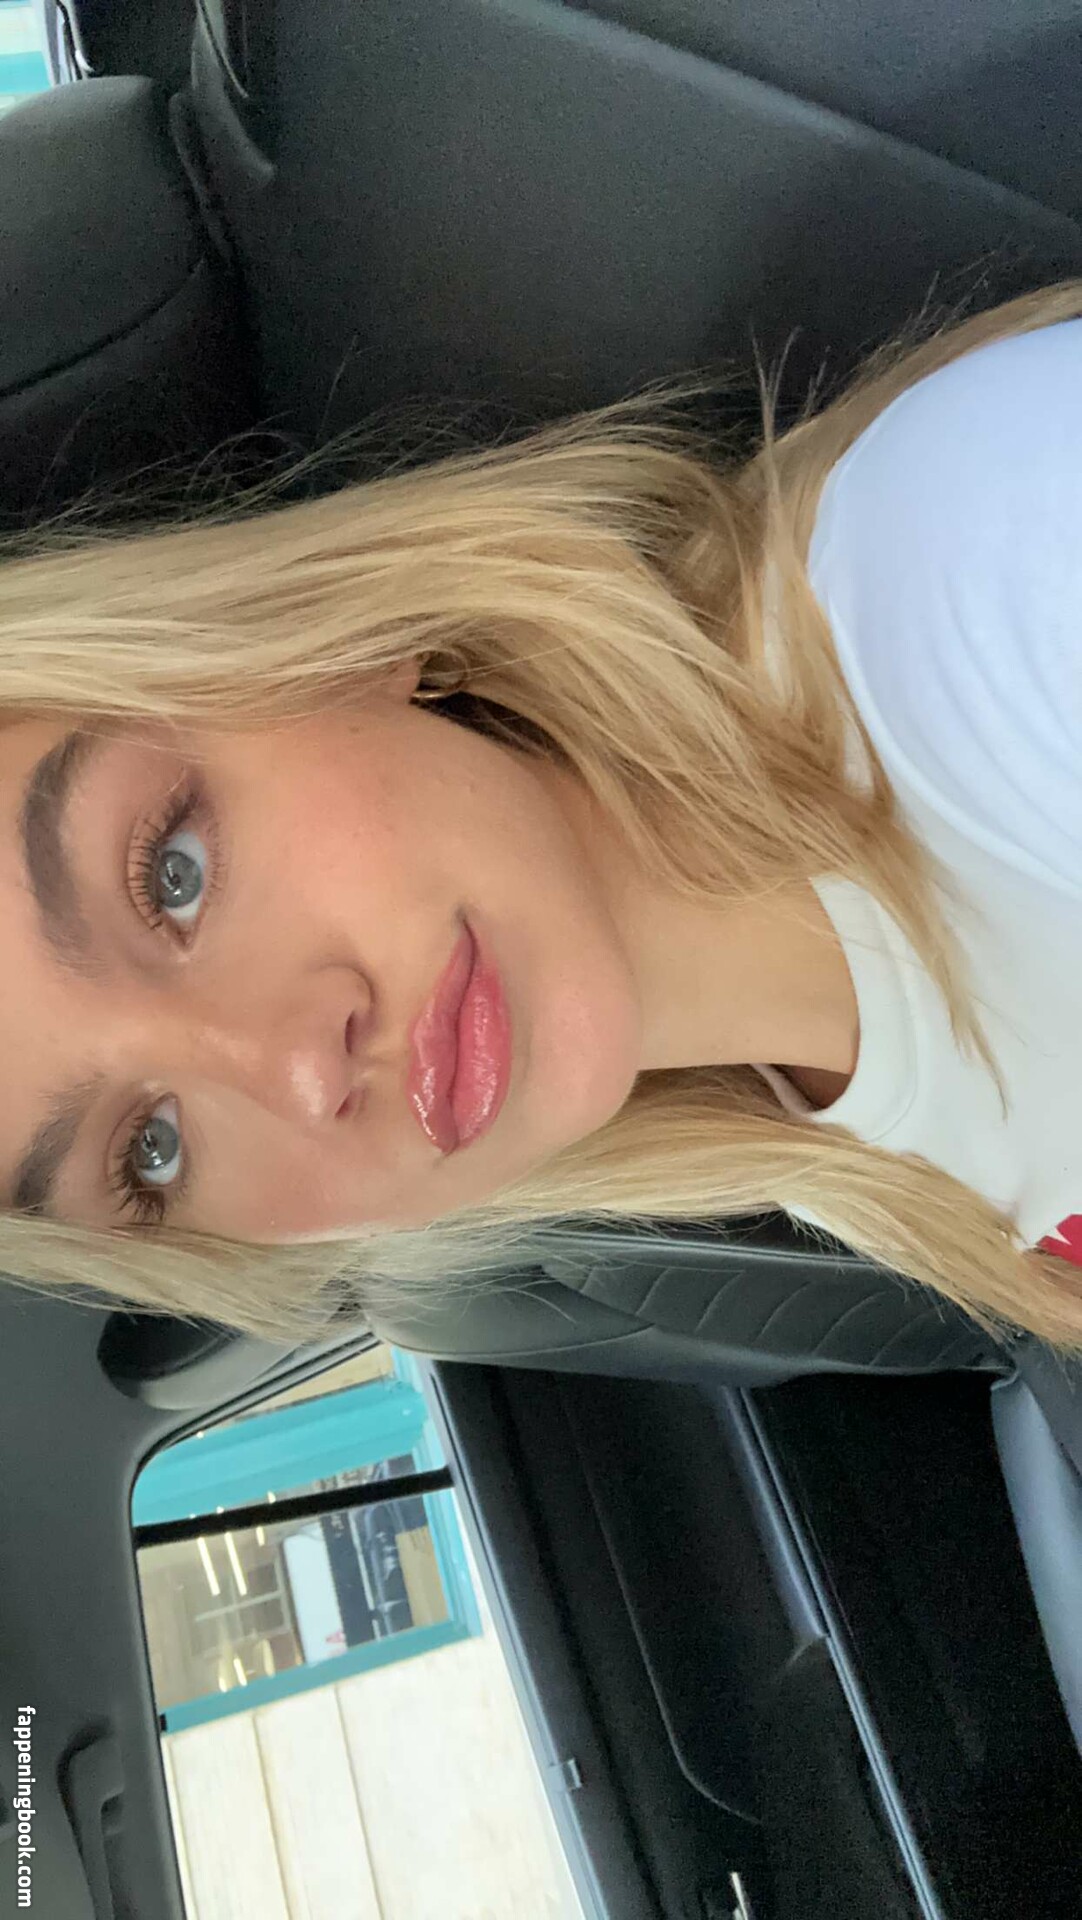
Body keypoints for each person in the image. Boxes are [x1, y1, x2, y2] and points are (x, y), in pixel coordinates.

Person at [0, 281, 1080, 1352]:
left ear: (314, 647)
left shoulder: (999, 566)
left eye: (173, 873)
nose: (295, 1072)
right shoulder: (849, 1161)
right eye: (149, 1150)